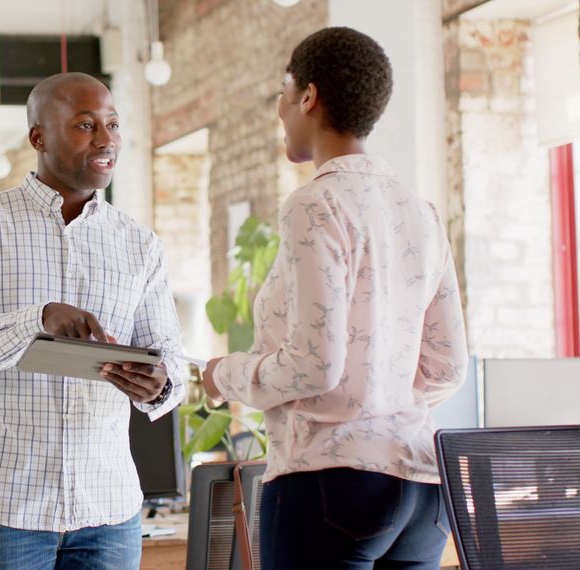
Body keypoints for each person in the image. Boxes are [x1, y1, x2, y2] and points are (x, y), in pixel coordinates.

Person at [201, 27, 468, 569]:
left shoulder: (314, 204)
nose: (279, 108)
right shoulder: (420, 211)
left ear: (308, 96)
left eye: (283, 91)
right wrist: (380, 397)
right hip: (421, 489)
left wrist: (222, 375)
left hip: (329, 484)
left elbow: (316, 367)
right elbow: (447, 366)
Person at [0, 72, 188, 570]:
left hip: (109, 511)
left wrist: (158, 385)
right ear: (38, 137)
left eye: (113, 124)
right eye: (86, 125)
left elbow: (171, 360)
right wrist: (37, 320)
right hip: (3, 508)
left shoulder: (140, 245)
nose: (106, 138)